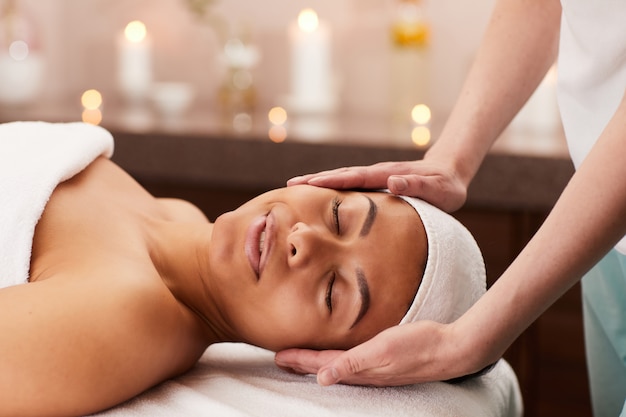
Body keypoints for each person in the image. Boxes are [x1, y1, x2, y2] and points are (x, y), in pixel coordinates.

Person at [0, 121, 498, 416]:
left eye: (332, 293)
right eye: (339, 215)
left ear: (309, 356)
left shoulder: (126, 315)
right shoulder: (179, 218)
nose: (306, 242)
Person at [279, 0, 626, 415]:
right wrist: (451, 160)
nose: (300, 239)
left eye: (335, 292)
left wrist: (472, 339)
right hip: (604, 227)